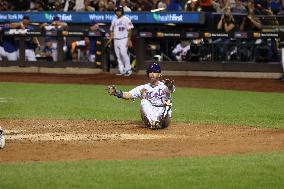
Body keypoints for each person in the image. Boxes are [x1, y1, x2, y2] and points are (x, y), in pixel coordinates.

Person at [107, 63, 175, 129]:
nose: (152, 74)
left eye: (154, 72)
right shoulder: (143, 88)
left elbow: (171, 90)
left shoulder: (164, 86)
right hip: (149, 115)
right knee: (144, 101)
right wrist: (116, 93)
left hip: (162, 112)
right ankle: (154, 122)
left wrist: (170, 85)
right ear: (148, 74)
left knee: (168, 102)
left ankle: (163, 116)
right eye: (150, 72)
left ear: (159, 74)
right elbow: (129, 95)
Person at [107, 5, 134, 76]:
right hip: (116, 40)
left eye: (119, 11)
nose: (118, 12)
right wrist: (110, 38)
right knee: (118, 55)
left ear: (122, 11)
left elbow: (130, 30)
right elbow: (111, 30)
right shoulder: (114, 19)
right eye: (117, 11)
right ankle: (121, 70)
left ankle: (128, 70)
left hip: (124, 39)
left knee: (124, 54)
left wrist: (129, 40)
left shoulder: (126, 19)